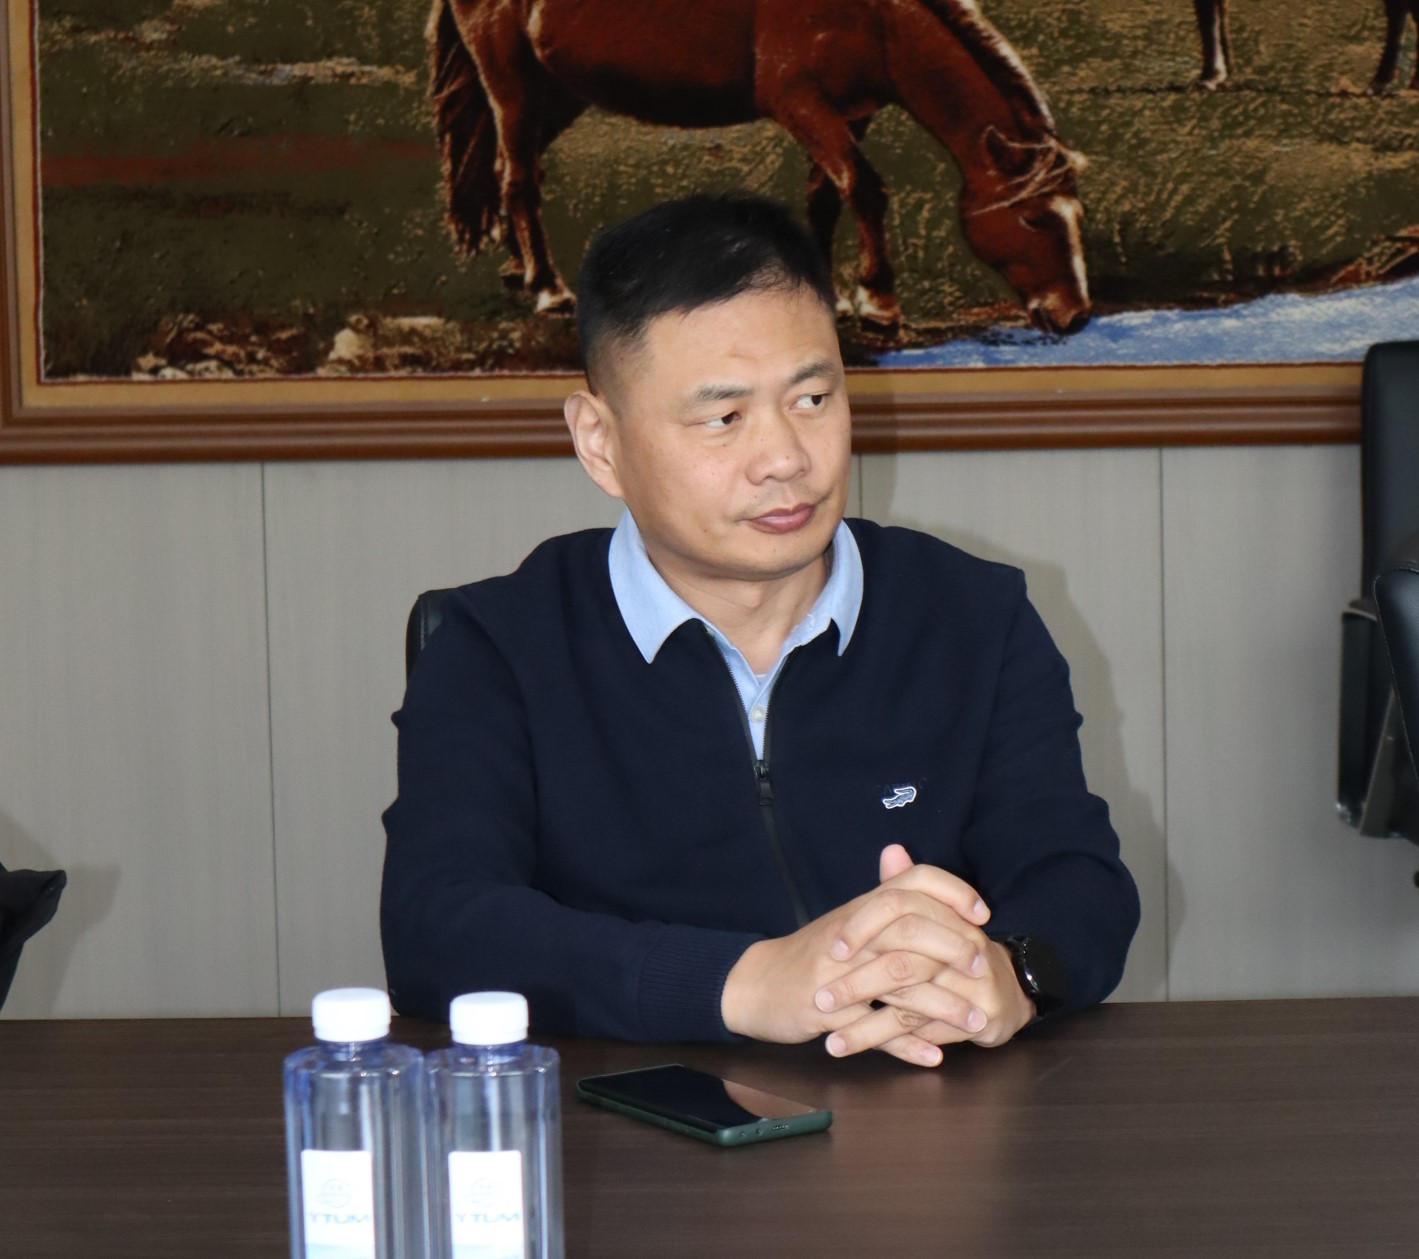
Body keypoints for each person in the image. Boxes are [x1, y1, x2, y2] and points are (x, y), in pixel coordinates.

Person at [381, 194, 1139, 1068]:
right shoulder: (496, 644)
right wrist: (748, 982)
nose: (785, 458)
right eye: (723, 417)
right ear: (600, 442)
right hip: (619, 1129)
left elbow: (1078, 881)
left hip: (928, 1116)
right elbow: (438, 923)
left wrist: (1009, 972)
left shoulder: (973, 615)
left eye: (812, 397)